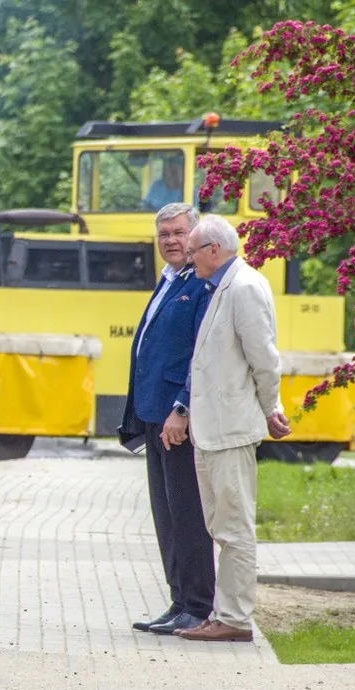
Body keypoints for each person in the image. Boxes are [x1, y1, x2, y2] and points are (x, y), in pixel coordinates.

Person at [175, 214, 291, 643]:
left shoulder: (243, 287)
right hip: (212, 430)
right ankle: (225, 614)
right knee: (220, 525)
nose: (189, 260)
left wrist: (270, 408)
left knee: (234, 527)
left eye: (192, 252)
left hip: (230, 429)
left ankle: (235, 619)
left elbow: (264, 357)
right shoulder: (221, 285)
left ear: (213, 250)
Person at [123, 203, 216, 636]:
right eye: (164, 235)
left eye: (179, 233)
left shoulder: (201, 285)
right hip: (152, 417)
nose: (172, 241)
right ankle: (178, 600)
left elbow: (202, 354)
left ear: (197, 235)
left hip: (176, 420)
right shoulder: (169, 280)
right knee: (166, 516)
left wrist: (182, 407)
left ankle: (198, 605)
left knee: (187, 513)